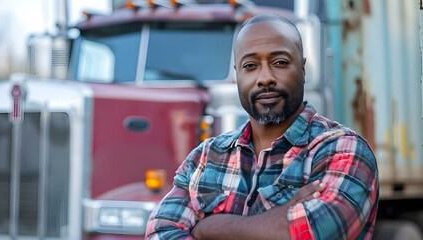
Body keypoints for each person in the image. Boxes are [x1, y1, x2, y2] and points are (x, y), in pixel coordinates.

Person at [145, 14, 379, 240]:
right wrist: (281, 215)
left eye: (280, 62)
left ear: (303, 69)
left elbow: (312, 231)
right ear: (238, 75)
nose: (265, 77)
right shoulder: (205, 157)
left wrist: (207, 228)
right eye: (250, 65)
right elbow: (160, 232)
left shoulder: (343, 149)